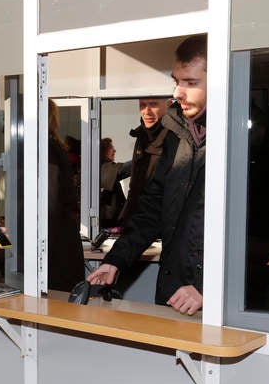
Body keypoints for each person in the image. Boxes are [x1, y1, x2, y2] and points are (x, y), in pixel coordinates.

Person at [87, 35, 208, 315]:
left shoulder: (245, 135)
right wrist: (115, 261)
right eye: (177, 81)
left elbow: (253, 231)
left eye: (191, 83)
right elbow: (151, 208)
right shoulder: (177, 133)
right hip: (173, 292)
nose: (179, 92)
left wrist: (205, 286)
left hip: (217, 304)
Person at [48, 99, 85, 292]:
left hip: (56, 246)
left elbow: (50, 204)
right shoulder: (56, 147)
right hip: (64, 240)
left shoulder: (47, 150)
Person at [117, 96, 172, 227]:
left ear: (169, 105)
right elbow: (135, 186)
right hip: (142, 222)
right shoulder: (141, 135)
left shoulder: (176, 138)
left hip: (163, 224)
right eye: (142, 105)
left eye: (153, 104)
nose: (146, 111)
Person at [98, 137, 132, 228]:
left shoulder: (102, 168)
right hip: (108, 222)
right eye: (111, 148)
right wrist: (141, 158)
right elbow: (124, 169)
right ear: (103, 151)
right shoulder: (104, 168)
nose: (114, 150)